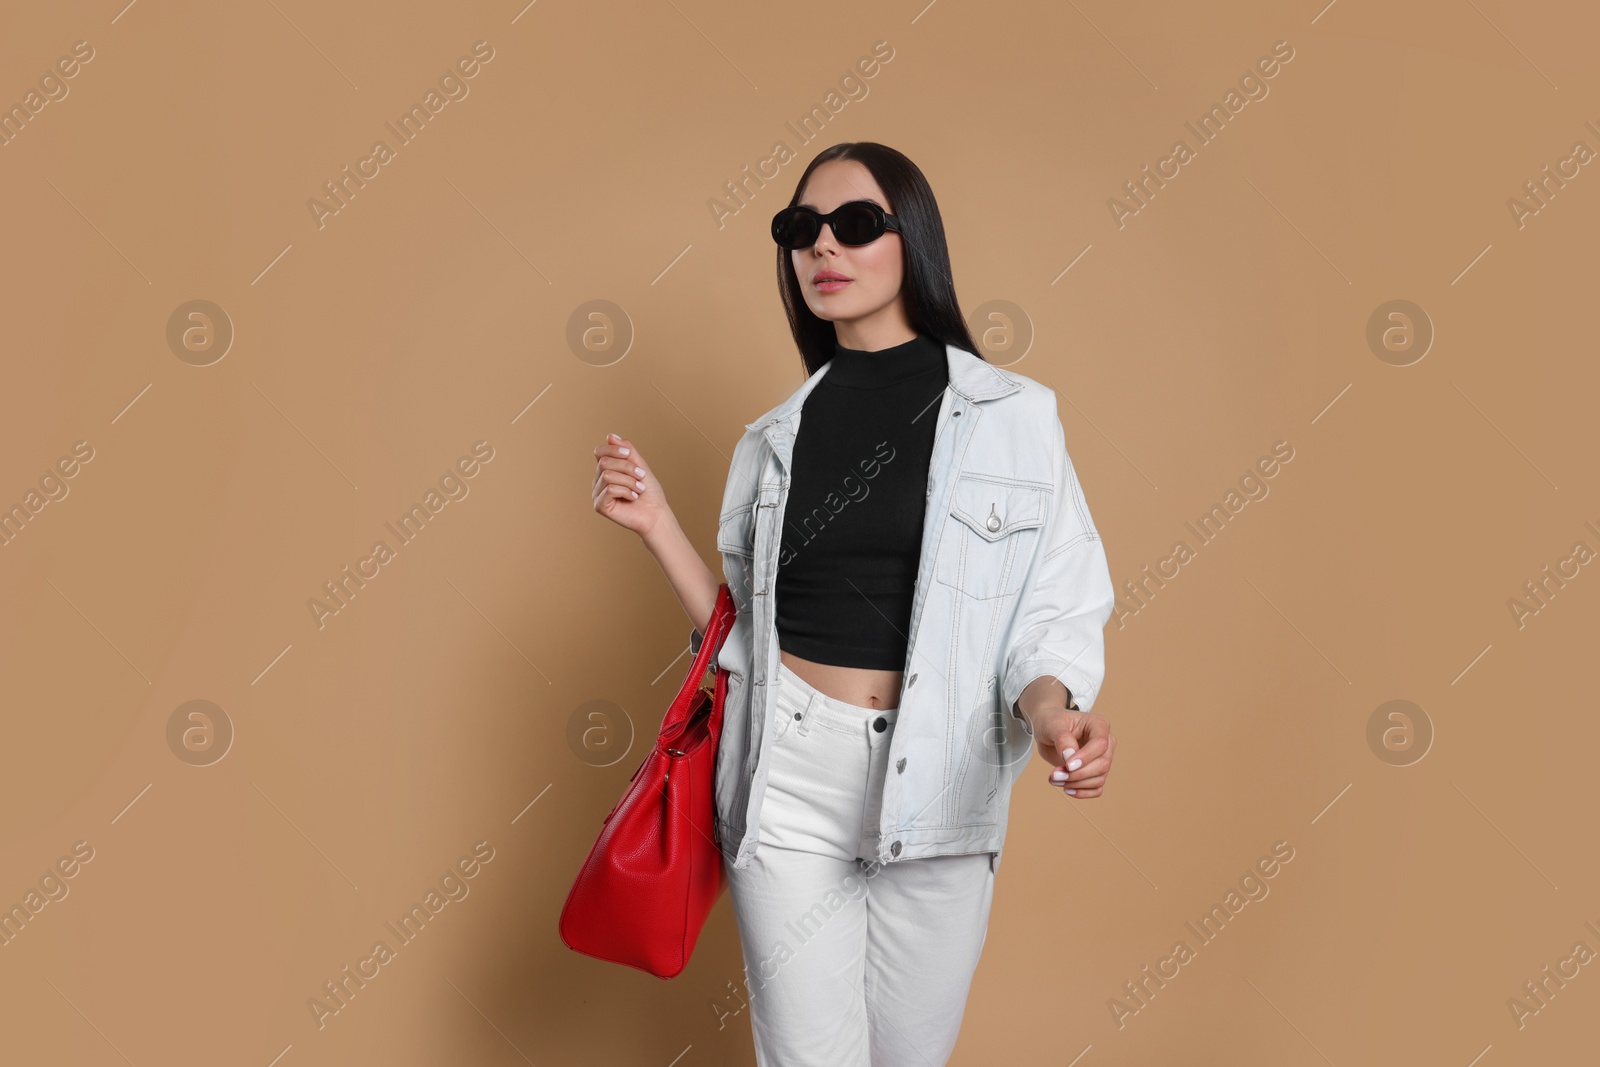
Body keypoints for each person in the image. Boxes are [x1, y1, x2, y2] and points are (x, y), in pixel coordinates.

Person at [591, 142, 1117, 1065]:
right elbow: (743, 636)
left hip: (944, 776)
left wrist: (1053, 716)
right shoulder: (772, 439)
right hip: (786, 773)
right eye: (800, 231)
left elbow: (1052, 610)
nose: (822, 248)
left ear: (912, 238)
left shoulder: (1015, 418)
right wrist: (660, 526)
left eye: (855, 225)